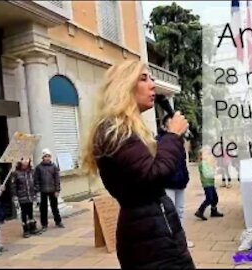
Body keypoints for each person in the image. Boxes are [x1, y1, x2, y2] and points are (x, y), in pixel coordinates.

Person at [81, 60, 195, 269]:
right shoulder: (115, 130)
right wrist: (172, 136)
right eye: (144, 78)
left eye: (152, 78)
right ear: (123, 86)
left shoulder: (128, 129)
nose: (152, 84)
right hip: (149, 240)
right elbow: (153, 175)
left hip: (155, 233)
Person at [157, 114, 194, 248]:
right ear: (166, 124)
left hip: (180, 182)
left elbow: (182, 163)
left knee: (180, 211)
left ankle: (180, 239)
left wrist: (185, 177)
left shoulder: (180, 140)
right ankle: (169, 241)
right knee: (169, 212)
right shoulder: (160, 140)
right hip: (168, 182)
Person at [34, 149, 64, 231]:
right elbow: (36, 180)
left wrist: (57, 190)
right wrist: (37, 190)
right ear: (42, 157)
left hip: (52, 190)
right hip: (43, 190)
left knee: (54, 207)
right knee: (43, 208)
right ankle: (44, 224)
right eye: (45, 156)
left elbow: (57, 179)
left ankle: (58, 221)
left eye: (48, 156)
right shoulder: (38, 168)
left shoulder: (54, 167)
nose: (47, 158)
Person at [11, 158, 41, 238]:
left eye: (27, 159)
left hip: (31, 195)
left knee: (31, 212)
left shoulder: (32, 171)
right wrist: (15, 197)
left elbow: (36, 183)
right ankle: (25, 230)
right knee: (24, 213)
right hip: (22, 197)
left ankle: (33, 228)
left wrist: (37, 193)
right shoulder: (15, 173)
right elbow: (13, 187)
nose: (25, 161)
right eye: (23, 159)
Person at [195, 146, 224, 221]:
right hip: (207, 184)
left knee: (215, 198)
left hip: (210, 183)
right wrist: (216, 171)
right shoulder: (202, 164)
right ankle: (200, 211)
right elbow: (208, 173)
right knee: (209, 199)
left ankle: (213, 211)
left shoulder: (207, 163)